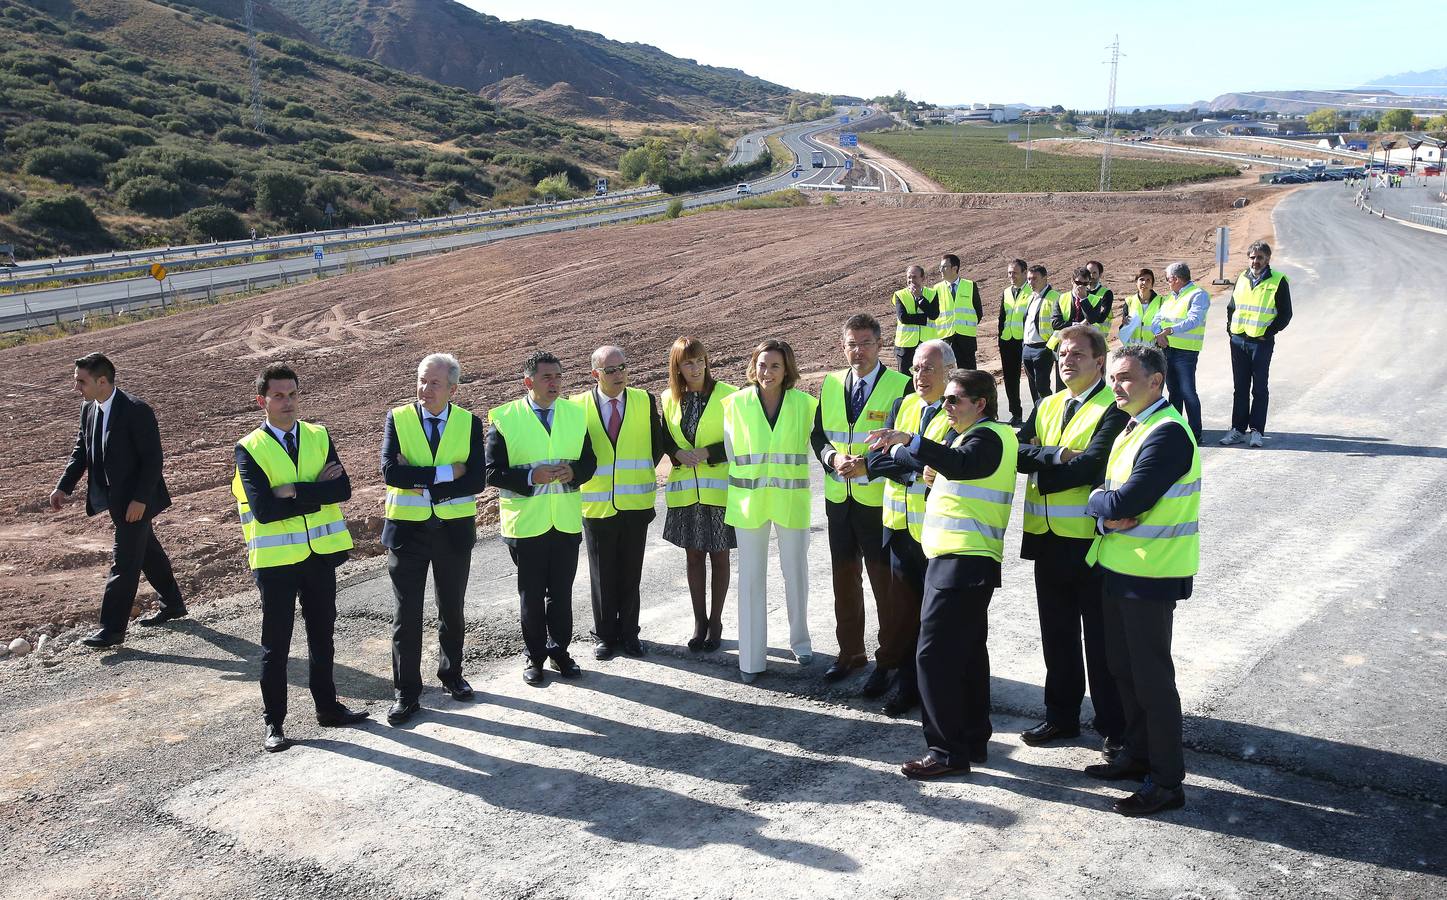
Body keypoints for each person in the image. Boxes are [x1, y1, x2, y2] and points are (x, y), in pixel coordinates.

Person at [870, 369, 1018, 779]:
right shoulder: (979, 436)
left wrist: (910, 440)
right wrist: (908, 451)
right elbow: (942, 461)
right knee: (968, 653)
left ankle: (945, 752)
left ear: (980, 404)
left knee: (932, 656)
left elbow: (960, 464)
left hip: (962, 560)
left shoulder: (985, 437)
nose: (947, 407)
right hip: (960, 559)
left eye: (954, 400)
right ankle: (972, 740)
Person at [1084, 343, 1201, 817]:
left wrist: (1102, 504)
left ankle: (1167, 782)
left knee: (1152, 681)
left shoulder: (1168, 433)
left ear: (1156, 381)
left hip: (1151, 575)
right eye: (1113, 377)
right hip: (1119, 566)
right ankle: (1136, 755)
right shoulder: (1134, 427)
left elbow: (1123, 503)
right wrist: (1105, 507)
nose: (1116, 385)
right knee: (1122, 669)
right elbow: (1111, 503)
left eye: (1126, 377)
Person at [232, 364, 369, 752]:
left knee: (322, 636)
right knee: (276, 645)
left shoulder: (318, 434)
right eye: (278, 395)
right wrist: (315, 491)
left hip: (319, 556)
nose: (287, 402)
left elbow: (342, 489)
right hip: (275, 563)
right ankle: (274, 723)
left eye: (292, 394)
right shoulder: (249, 448)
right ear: (262, 401)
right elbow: (263, 509)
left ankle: (328, 708)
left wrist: (291, 490)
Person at [1015, 326, 1128, 756]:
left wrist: (1040, 463)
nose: (1067, 360)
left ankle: (1113, 726)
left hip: (1087, 542)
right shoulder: (1045, 403)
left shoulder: (1112, 409)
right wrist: (1053, 456)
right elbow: (1015, 452)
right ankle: (1061, 717)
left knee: (1100, 641)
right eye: (1062, 353)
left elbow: (1093, 467)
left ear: (1100, 361)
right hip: (1046, 539)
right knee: (1056, 635)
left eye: (1078, 354)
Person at [50, 352, 187, 648]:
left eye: (81, 382)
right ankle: (173, 603)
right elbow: (81, 452)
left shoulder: (136, 410)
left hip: (136, 501)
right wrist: (64, 487)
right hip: (115, 500)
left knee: (124, 562)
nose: (77, 388)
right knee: (147, 550)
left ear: (102, 381)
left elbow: (153, 461)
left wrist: (140, 500)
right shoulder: (89, 409)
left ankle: (111, 630)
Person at [378, 353, 486, 725]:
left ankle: (451, 675)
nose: (425, 389)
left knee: (451, 610)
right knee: (406, 616)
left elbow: (475, 480)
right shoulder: (398, 418)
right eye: (422, 380)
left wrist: (421, 476)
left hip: (453, 532)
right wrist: (444, 474)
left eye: (434, 383)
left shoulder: (469, 422)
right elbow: (391, 472)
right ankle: (406, 693)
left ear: (452, 388)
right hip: (407, 532)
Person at [485, 351, 598, 685]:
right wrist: (532, 478)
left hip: (563, 521)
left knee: (561, 594)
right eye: (547, 377)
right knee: (531, 595)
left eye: (558, 377)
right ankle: (534, 657)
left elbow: (589, 462)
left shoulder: (576, 415)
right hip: (527, 523)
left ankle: (560, 651)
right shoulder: (505, 417)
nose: (555, 383)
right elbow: (491, 471)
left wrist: (573, 472)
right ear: (528, 381)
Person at [811, 313, 911, 687]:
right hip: (839, 500)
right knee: (844, 581)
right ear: (843, 346)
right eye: (852, 344)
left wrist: (867, 465)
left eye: (866, 343)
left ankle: (889, 660)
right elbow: (819, 435)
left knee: (885, 583)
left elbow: (904, 447)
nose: (859, 351)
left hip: (879, 502)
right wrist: (833, 459)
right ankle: (850, 653)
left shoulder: (900, 386)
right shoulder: (831, 383)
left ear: (880, 345)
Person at [866, 338, 956, 716]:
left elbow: (947, 463)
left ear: (949, 372)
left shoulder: (955, 412)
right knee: (903, 613)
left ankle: (938, 689)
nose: (919, 375)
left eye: (928, 368)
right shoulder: (902, 405)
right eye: (916, 368)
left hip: (935, 532)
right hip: (899, 526)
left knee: (936, 620)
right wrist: (915, 467)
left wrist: (900, 456)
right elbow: (876, 458)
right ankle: (907, 686)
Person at [723, 339, 816, 683]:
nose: (767, 372)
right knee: (750, 581)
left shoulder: (806, 405)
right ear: (753, 366)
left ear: (787, 369)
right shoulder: (732, 405)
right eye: (762, 365)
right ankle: (751, 659)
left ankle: (801, 642)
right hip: (750, 505)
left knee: (797, 573)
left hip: (791, 502)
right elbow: (734, 455)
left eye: (775, 366)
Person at [571, 346, 667, 661]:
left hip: (635, 504)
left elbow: (656, 446)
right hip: (596, 506)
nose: (618, 375)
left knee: (630, 574)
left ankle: (630, 634)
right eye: (610, 370)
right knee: (602, 574)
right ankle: (604, 636)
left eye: (622, 367)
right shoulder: (577, 406)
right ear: (595, 374)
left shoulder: (644, 400)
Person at [660, 337, 737, 652]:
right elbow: (664, 437)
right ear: (677, 366)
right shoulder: (668, 398)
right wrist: (676, 452)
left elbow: (739, 441)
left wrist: (709, 451)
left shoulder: (730, 396)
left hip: (718, 493)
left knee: (719, 557)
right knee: (694, 557)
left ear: (707, 361)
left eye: (699, 360)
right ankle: (699, 621)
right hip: (686, 495)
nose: (694, 368)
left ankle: (716, 622)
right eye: (687, 362)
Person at [1221, 241, 1292, 448]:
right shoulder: (1242, 278)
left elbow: (1286, 314)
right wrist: (1230, 329)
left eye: (1260, 257)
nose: (1255, 261)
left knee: (1259, 388)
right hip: (1238, 340)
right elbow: (1232, 307)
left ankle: (1257, 431)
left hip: (1260, 343)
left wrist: (1268, 332)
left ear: (1267, 259)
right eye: (1252, 257)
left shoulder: (1278, 280)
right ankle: (1237, 429)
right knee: (1240, 388)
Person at [1152, 262, 1210, 442]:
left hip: (1186, 352)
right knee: (1173, 392)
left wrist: (1169, 331)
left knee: (1188, 392)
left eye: (1167, 279)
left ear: (1176, 279)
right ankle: (1176, 430)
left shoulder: (1198, 295)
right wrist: (1158, 334)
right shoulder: (1170, 297)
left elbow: (1194, 320)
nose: (1167, 282)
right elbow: (1157, 319)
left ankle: (1195, 434)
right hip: (1168, 349)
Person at [1021, 264, 1067, 408]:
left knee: (1042, 387)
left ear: (1045, 278)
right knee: (1033, 387)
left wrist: (1051, 345)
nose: (1030, 282)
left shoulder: (1055, 297)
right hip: (1028, 347)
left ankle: (1049, 412)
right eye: (1029, 279)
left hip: (1043, 347)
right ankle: (1038, 414)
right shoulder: (1030, 297)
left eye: (1034, 279)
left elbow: (1060, 323)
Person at [997, 258, 1032, 427]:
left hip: (1025, 341)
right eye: (1009, 273)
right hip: (1007, 341)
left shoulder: (1032, 291)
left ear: (1025, 273)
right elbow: (1002, 317)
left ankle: (1038, 414)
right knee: (1010, 379)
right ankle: (1015, 413)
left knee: (1032, 378)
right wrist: (1000, 337)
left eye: (1015, 273)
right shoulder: (1006, 292)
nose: (1011, 276)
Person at [934, 253, 983, 369]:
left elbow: (978, 312)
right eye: (940, 267)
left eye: (944, 267)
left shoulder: (970, 285)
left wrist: (967, 326)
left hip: (966, 339)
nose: (941, 270)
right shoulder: (936, 289)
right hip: (946, 340)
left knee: (969, 376)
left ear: (954, 268)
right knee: (949, 376)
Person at [892, 265, 941, 374]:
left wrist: (920, 298)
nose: (911, 280)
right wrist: (925, 319)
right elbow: (903, 318)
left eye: (914, 277)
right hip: (905, 347)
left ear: (922, 278)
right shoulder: (900, 295)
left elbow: (934, 315)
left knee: (927, 378)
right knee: (905, 381)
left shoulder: (932, 293)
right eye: (909, 277)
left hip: (927, 345)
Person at [1119, 269, 1164, 346]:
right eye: (1141, 279)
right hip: (1133, 349)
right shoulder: (1129, 301)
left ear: (1152, 284)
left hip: (1152, 349)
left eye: (1148, 280)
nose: (1144, 283)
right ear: (1136, 282)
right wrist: (1124, 323)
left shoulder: (1161, 302)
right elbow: (1123, 327)